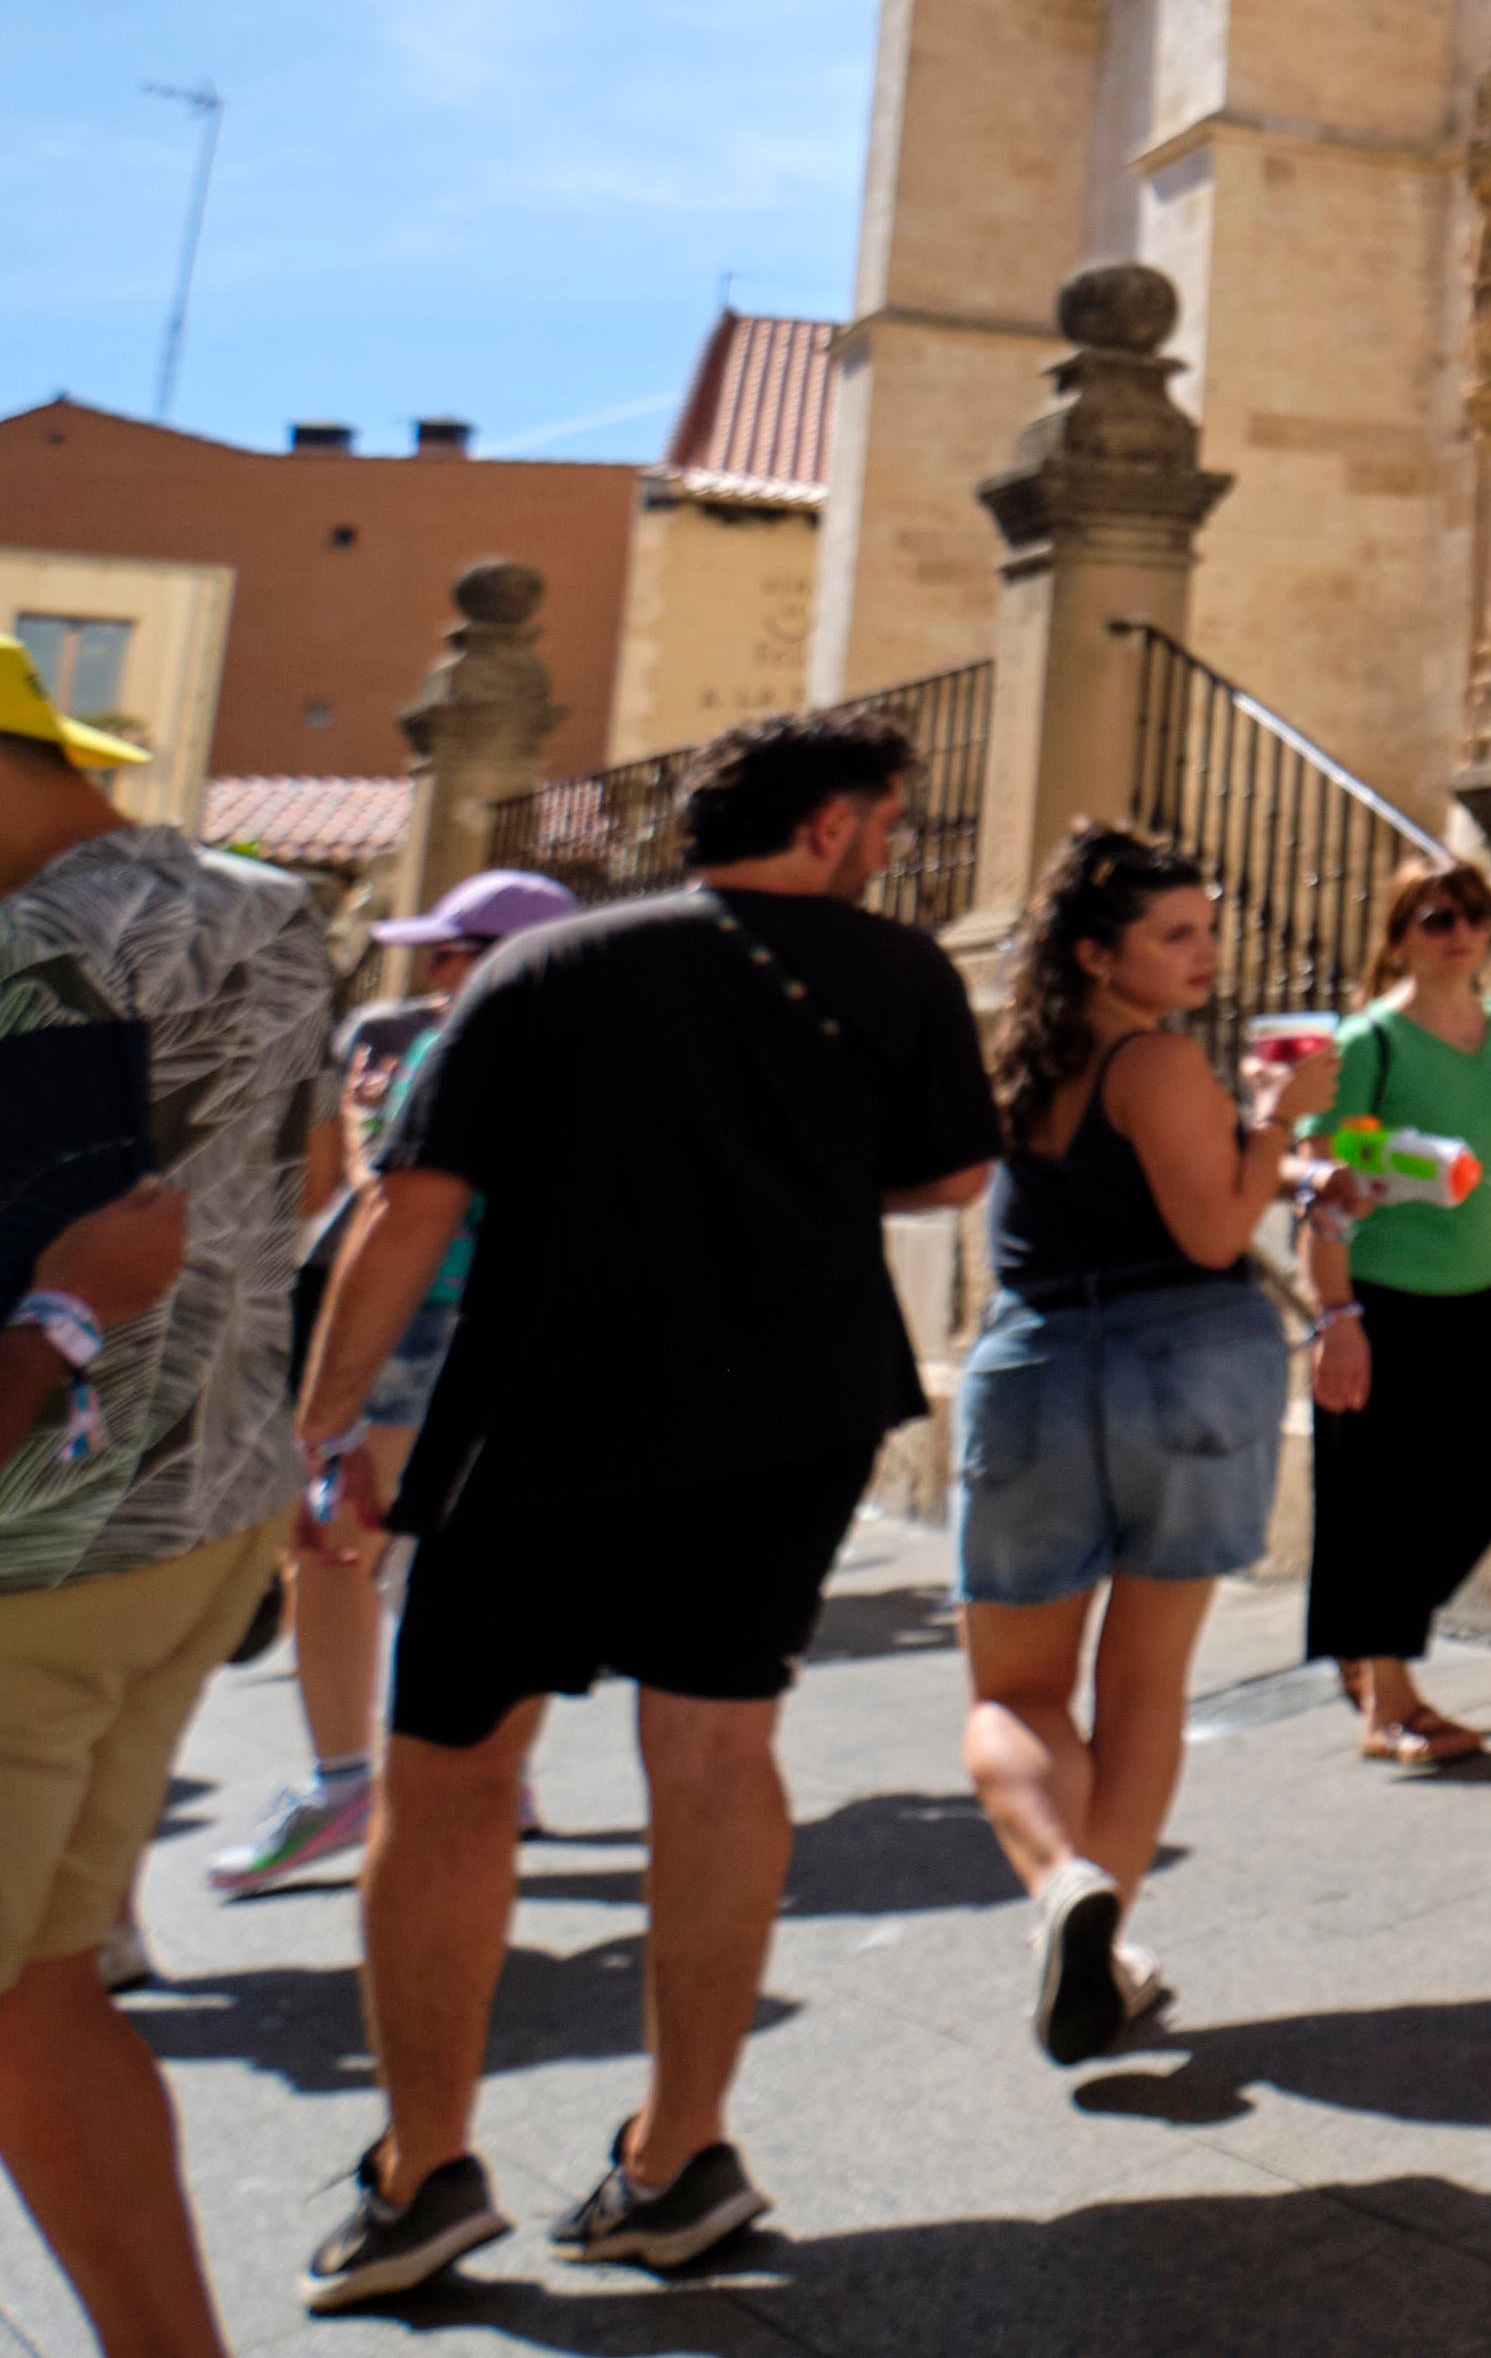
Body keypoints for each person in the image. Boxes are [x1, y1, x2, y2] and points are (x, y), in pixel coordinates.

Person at [295, 709, 1002, 2308]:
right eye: (882, 822)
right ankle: (682, 2152)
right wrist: (799, 1174)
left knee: (457, 1772)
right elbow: (954, 1178)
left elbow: (408, 1209)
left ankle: (421, 2173)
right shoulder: (901, 977)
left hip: (552, 1407)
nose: (889, 849)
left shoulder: (552, 973)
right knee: (717, 1747)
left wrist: (325, 1426)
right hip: (798, 1410)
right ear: (825, 826)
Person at [0, 634, 331, 2358]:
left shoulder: (28, 953)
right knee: (42, 1988)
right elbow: (319, 1175)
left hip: (29, 1540)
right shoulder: (266, 904)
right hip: (199, 1502)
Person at [956, 822, 1313, 2068]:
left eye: (1209, 928)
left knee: (1015, 1690)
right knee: (1146, 1681)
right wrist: (1280, 1121)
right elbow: (1217, 1232)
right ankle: (1095, 1930)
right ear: (1104, 955)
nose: (1206, 952)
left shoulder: (1020, 1063)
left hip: (1038, 1367)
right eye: (1179, 935)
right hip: (1186, 1364)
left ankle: (1065, 1892)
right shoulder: (1156, 1062)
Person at [208, 868, 576, 1902]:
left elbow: (392, 1206)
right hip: (531, 1332)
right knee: (473, 1560)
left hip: (416, 1322)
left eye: (451, 954)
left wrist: (323, 1412)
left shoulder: (472, 1050)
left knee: (329, 1547)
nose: (430, 973)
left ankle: (345, 1786)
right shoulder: (598, 1053)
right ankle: (490, 1776)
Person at [1299, 857, 1491, 1763]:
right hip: (1384, 1301)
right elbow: (1324, 1190)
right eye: (1437, 916)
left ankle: (1371, 1635)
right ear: (1401, 933)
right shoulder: (1369, 1044)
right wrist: (1333, 1317)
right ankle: (1391, 1701)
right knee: (1385, 1494)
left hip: (1487, 1289)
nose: (1460, 931)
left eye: (1475, 914)